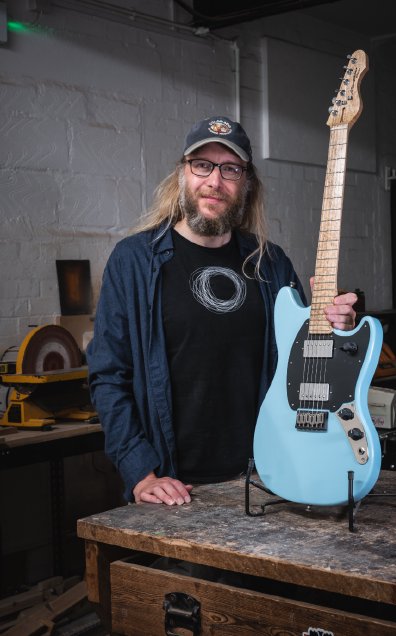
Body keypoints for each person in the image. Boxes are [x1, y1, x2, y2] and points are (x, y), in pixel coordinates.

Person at [88, 115, 357, 506]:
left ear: (247, 183)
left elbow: (306, 370)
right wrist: (141, 473)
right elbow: (108, 375)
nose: (215, 181)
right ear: (183, 174)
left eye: (230, 169)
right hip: (176, 484)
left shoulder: (270, 262)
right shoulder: (135, 261)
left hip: (268, 475)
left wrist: (334, 329)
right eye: (202, 165)